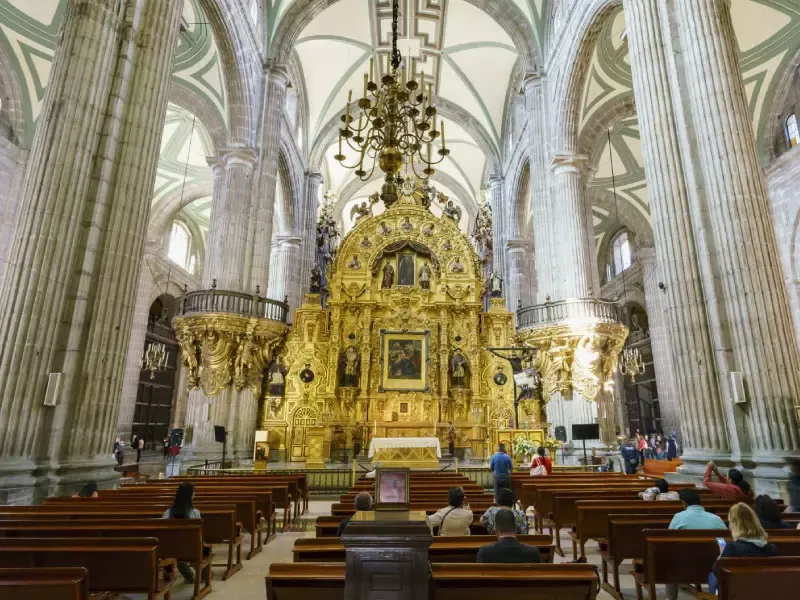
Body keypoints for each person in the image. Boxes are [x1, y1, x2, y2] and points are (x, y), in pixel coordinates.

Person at [666, 489, 726, 600]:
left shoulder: (679, 517)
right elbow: (724, 544)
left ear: (683, 503)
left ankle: (670, 598)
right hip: (712, 568)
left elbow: (669, 541)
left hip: (684, 567)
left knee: (670, 562)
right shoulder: (716, 519)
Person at [708, 503, 779, 594]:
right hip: (763, 591)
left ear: (735, 524)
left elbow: (716, 570)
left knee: (711, 576)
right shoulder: (772, 548)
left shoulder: (732, 547)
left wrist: (721, 555)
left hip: (737, 592)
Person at [162, 482, 201, 583]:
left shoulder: (167, 513)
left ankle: (188, 575)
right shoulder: (195, 513)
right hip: (190, 549)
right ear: (190, 496)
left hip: (169, 549)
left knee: (176, 550)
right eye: (193, 493)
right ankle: (202, 575)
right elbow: (199, 534)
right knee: (194, 549)